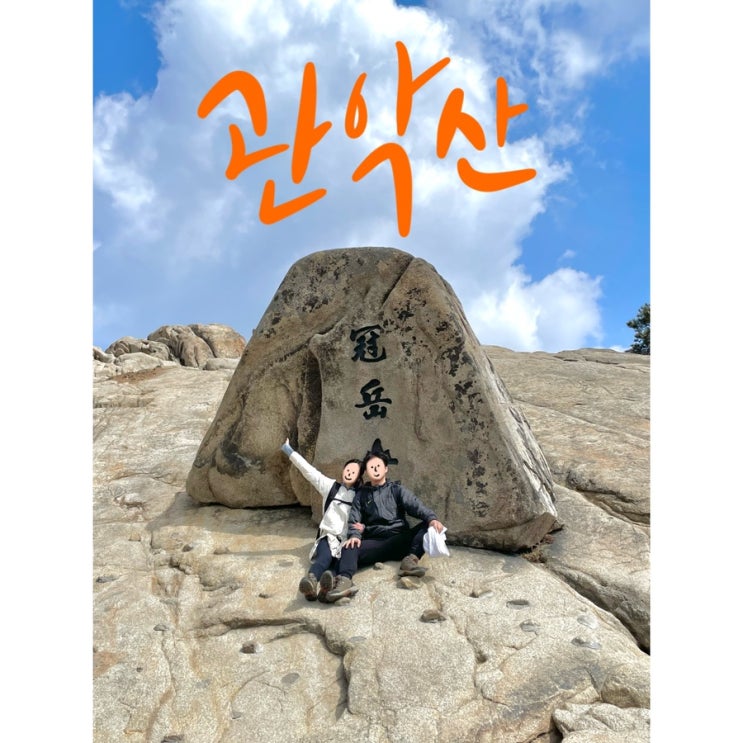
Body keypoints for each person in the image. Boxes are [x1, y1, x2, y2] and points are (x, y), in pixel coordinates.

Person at [325, 438, 446, 603]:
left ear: (386, 468)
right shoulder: (361, 495)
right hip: (375, 542)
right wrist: (354, 535)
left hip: (399, 539)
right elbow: (354, 519)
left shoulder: (397, 490)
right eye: (371, 467)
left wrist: (432, 519)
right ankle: (344, 581)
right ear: (367, 472)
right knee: (349, 546)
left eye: (378, 466)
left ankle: (410, 561)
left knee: (429, 525)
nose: (375, 469)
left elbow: (415, 505)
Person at [281, 438, 364, 602]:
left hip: (346, 543)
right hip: (328, 536)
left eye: (353, 472)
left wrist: (362, 528)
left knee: (336, 568)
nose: (349, 473)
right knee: (324, 558)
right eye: (347, 469)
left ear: (359, 476)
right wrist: (289, 451)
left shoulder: (361, 497)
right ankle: (311, 580)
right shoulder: (331, 487)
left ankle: (322, 591)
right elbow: (309, 472)